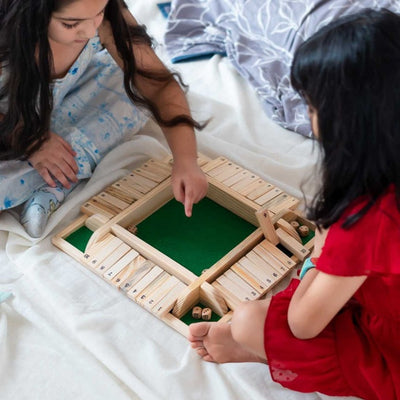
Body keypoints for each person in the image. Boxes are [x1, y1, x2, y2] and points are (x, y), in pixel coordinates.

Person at [188, 8, 400, 400]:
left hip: (389, 351)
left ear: (351, 121)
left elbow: (303, 325)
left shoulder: (366, 217)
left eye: (314, 108)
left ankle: (256, 351)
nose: (308, 116)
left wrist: (320, 253)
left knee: (250, 320)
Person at [0, 0, 208, 237]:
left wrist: (186, 160)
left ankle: (54, 181)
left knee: (132, 86)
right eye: (71, 24)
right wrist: (29, 139)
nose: (90, 32)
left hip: (60, 102)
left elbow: (159, 87)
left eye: (98, 13)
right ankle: (48, 177)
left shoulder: (107, 18)